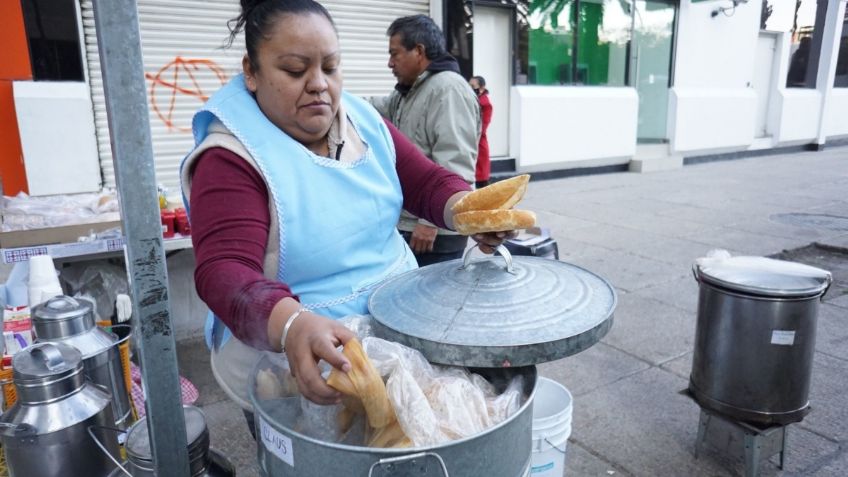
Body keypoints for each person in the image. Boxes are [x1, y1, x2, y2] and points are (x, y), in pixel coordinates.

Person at [179, 0, 514, 421]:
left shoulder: (361, 119)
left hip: (397, 340)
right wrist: (291, 325)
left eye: (331, 67)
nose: (319, 85)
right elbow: (225, 270)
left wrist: (467, 208)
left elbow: (425, 181)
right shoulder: (231, 158)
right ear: (251, 70)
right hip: (300, 374)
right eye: (295, 71)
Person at [368, 15, 481, 267]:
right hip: (411, 222)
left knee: (433, 303)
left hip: (434, 231)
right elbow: (374, 109)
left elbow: (457, 161)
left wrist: (430, 223)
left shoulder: (447, 89)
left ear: (418, 51)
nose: (390, 63)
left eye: (394, 54)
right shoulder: (410, 92)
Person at [469, 75, 493, 189]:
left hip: (479, 146)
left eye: (473, 86)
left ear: (482, 88)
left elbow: (482, 128)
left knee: (481, 182)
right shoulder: (472, 100)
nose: (470, 88)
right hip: (473, 145)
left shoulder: (485, 104)